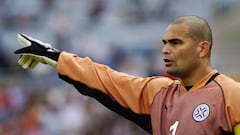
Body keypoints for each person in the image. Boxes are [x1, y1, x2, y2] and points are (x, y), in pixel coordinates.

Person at [14, 15, 240, 135]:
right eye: (164, 43)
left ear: (202, 49)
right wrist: (56, 56)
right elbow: (106, 79)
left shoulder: (231, 95)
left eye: (176, 42)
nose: (165, 50)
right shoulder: (159, 93)